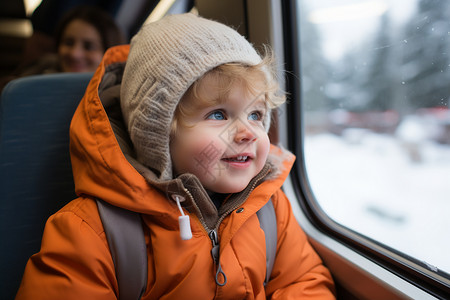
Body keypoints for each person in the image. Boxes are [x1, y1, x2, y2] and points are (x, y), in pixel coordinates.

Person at [15, 13, 335, 299]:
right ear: (157, 134)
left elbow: (304, 281)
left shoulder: (269, 208)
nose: (248, 132)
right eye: (219, 114)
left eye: (255, 115)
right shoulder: (92, 229)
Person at [0, 5, 125, 90]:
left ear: (110, 53)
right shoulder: (23, 84)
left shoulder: (116, 99)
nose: (75, 54)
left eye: (89, 47)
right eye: (68, 43)